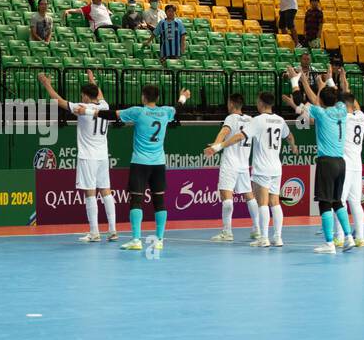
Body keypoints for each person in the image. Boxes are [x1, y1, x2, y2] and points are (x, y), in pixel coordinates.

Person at [96, 84, 191, 252]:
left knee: (136, 200)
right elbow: (178, 108)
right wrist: (183, 96)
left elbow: (112, 114)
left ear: (143, 97)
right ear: (158, 98)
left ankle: (136, 240)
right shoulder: (166, 111)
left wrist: (90, 112)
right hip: (159, 164)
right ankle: (160, 240)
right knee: (159, 201)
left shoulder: (138, 112)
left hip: (140, 163)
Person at [38, 70, 116, 242]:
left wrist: (46, 84)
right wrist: (91, 79)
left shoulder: (83, 109)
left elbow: (58, 101)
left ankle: (94, 232)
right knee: (106, 191)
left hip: (88, 156)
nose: (82, 98)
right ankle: (112, 230)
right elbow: (99, 94)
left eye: (83, 95)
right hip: (103, 156)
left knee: (90, 192)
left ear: (87, 97)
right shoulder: (105, 107)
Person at [289, 68, 354, 254]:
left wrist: (295, 81)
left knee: (325, 203)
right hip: (341, 163)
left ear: (322, 101)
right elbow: (341, 94)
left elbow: (299, 103)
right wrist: (331, 80)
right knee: (337, 202)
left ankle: (329, 243)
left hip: (326, 163)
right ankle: (348, 237)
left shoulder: (322, 113)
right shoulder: (342, 109)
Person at [228, 92, 295, 248]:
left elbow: (240, 136)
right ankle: (277, 238)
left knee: (263, 203)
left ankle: (264, 238)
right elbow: (290, 136)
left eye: (257, 101)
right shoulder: (280, 120)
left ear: (262, 103)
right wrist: (293, 147)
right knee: (275, 202)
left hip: (262, 168)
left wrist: (222, 145)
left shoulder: (257, 121)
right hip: (276, 168)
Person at [202, 93, 259, 243]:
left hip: (230, 163)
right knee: (249, 195)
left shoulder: (230, 118)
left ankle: (227, 232)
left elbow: (224, 132)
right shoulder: (251, 120)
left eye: (228, 103)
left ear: (232, 104)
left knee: (226, 196)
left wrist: (215, 147)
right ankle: (257, 230)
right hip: (244, 164)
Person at [338, 67, 364, 248]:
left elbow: (348, 105)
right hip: (358, 164)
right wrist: (346, 86)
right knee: (355, 202)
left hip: (346, 164)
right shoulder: (361, 117)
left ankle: (340, 237)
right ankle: (361, 238)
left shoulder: (344, 119)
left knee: (340, 201)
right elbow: (354, 105)